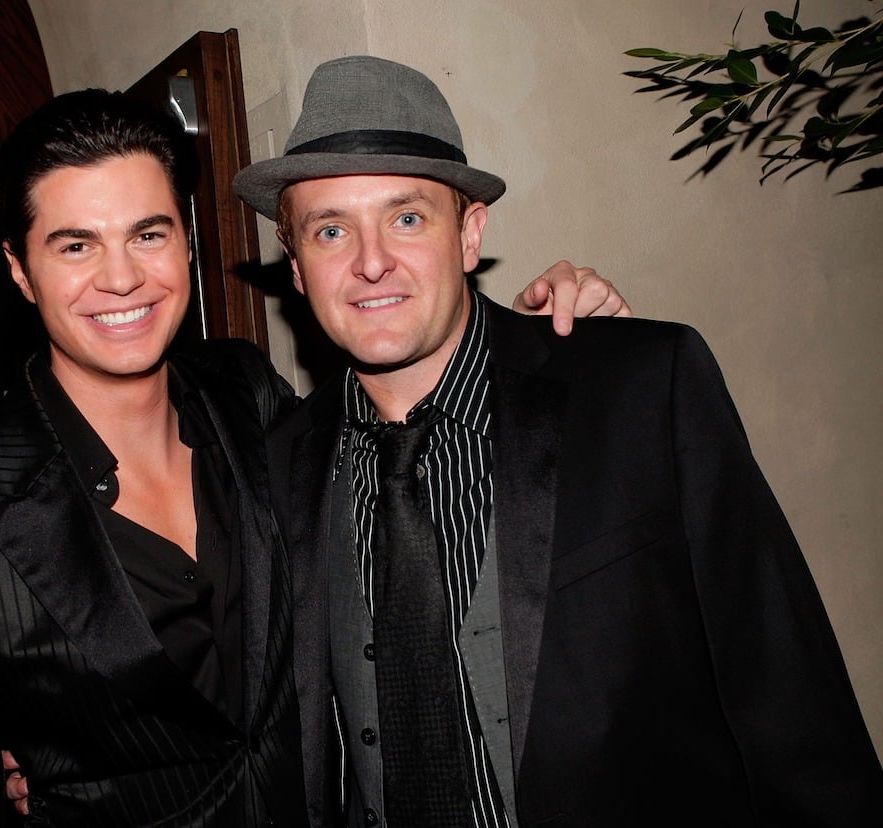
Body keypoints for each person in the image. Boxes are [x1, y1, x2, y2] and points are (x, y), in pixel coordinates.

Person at [0, 85, 627, 826]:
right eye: (76, 245)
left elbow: (408, 448)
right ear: (20, 269)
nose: (121, 277)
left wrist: (533, 338)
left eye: (148, 234)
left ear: (187, 242)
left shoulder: (251, 400)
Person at [231, 55, 883, 826]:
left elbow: (787, 695)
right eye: (331, 230)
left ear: (469, 233)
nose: (372, 262)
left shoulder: (642, 388)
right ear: (297, 267)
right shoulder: (279, 463)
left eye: (407, 218)